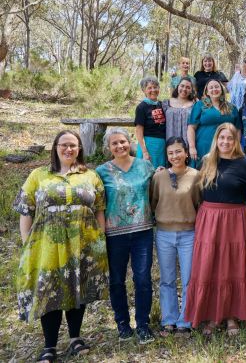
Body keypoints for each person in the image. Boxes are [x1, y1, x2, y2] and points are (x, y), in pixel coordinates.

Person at [13, 130, 108, 362]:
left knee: (79, 288)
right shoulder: (38, 175)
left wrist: (100, 240)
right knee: (50, 291)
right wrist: (28, 244)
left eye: (73, 146)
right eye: (64, 145)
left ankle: (75, 338)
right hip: (46, 247)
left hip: (83, 245)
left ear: (79, 149)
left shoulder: (91, 176)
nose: (69, 149)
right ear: (55, 147)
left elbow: (99, 210)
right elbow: (25, 211)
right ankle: (50, 346)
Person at [185, 123, 246, 337]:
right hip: (209, 219)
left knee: (233, 266)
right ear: (217, 139)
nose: (225, 142)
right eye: (222, 137)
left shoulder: (244, 165)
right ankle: (212, 316)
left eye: (230, 138)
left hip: (235, 220)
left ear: (236, 141)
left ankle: (232, 315)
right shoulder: (206, 161)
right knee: (210, 265)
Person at [96, 128, 156, 344]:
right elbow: (98, 204)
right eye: (114, 144)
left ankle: (143, 324)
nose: (120, 146)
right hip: (114, 234)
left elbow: (154, 193)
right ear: (108, 148)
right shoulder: (101, 172)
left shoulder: (144, 166)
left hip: (142, 231)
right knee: (117, 281)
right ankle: (122, 323)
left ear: (130, 142)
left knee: (142, 279)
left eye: (122, 141)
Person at [151, 137, 201, 338]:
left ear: (186, 153)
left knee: (189, 278)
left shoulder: (196, 176)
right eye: (170, 153)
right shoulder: (159, 177)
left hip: (189, 233)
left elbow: (200, 202)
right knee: (167, 279)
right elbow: (153, 201)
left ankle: (185, 320)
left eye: (178, 151)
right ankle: (169, 319)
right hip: (164, 234)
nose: (175, 156)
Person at [187, 79, 242, 168]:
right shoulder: (200, 105)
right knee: (202, 175)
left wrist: (236, 147)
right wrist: (192, 147)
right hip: (204, 146)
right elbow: (191, 128)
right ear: (207, 92)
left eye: (217, 87)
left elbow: (238, 130)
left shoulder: (232, 107)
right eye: (211, 88)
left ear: (221, 89)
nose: (214, 89)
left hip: (225, 147)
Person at [135, 76, 167, 168]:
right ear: (144, 90)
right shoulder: (142, 107)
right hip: (148, 145)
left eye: (155, 87)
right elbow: (139, 131)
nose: (153, 90)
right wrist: (144, 151)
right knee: (146, 172)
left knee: (159, 173)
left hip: (161, 146)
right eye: (149, 88)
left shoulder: (162, 105)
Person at [163, 76, 195, 145]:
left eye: (188, 87)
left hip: (188, 145)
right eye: (182, 86)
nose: (184, 89)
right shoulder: (166, 103)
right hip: (169, 145)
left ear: (191, 90)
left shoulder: (195, 105)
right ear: (178, 87)